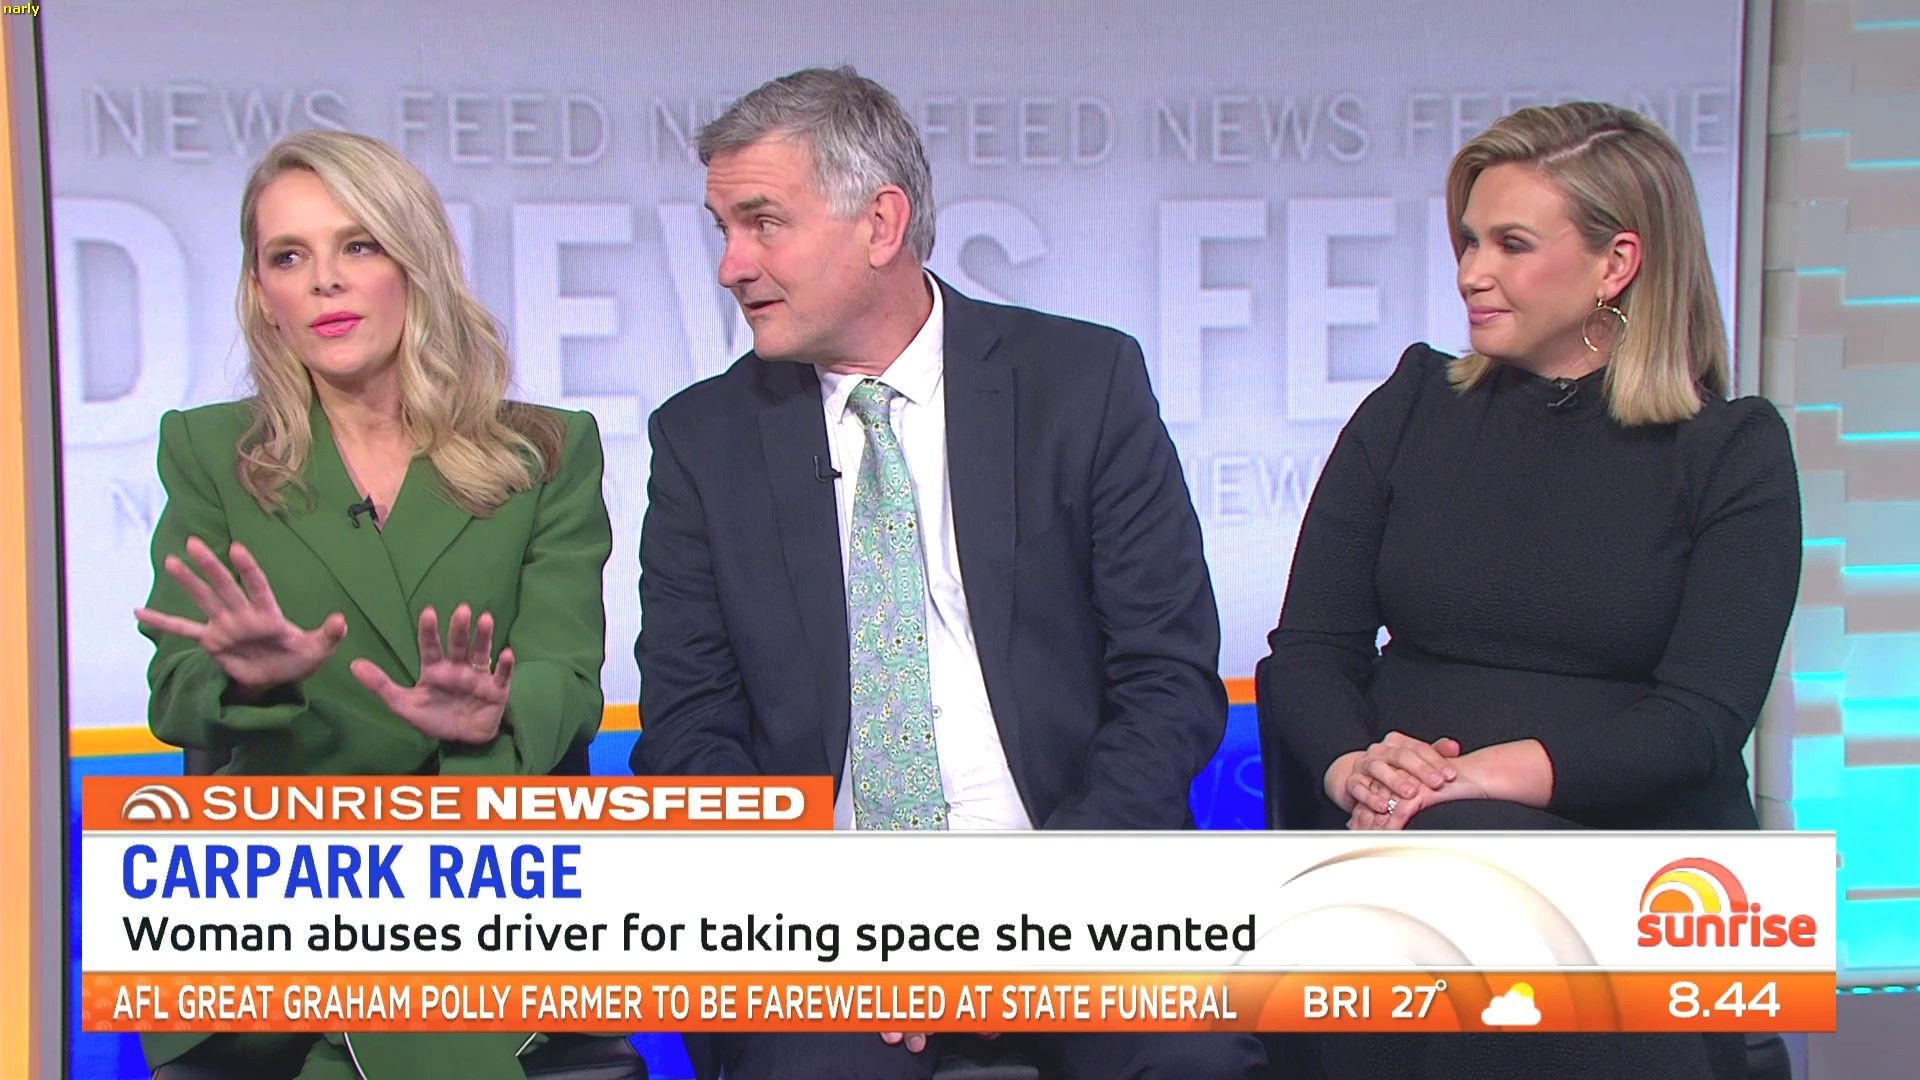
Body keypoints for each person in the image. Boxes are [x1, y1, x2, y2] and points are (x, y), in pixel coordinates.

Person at [631, 66, 1272, 1080]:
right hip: (833, 929)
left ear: (880, 224)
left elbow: (1168, 679)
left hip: (1078, 891)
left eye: (762, 224)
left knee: (1193, 1065)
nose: (729, 266)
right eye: (723, 229)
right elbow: (687, 731)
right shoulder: (702, 440)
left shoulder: (1082, 384)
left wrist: (1034, 913)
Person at [1257, 102, 1801, 1079]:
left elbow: (1699, 722)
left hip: (1635, 881)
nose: (1472, 272)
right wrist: (1356, 769)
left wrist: (1473, 780)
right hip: (1396, 861)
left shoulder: (1732, 453)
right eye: (1468, 240)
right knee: (1421, 898)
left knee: (1468, 892)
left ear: (1616, 263)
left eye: (1511, 244)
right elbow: (1309, 651)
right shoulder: (1411, 405)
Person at [134, 130, 613, 1079]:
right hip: (280, 908)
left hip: (485, 894)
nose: (325, 281)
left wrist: (494, 714)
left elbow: (567, 678)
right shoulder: (211, 452)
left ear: (415, 262)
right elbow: (175, 689)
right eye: (289, 257)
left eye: (358, 245)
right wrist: (243, 678)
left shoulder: (545, 451)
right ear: (262, 295)